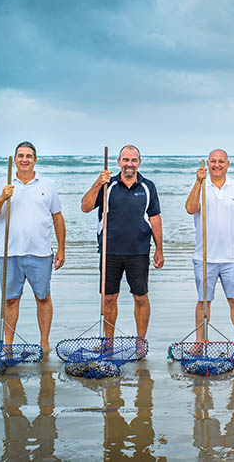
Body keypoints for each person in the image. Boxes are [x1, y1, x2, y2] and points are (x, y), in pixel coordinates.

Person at [0, 141, 66, 353]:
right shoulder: (3, 184)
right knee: (11, 299)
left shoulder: (47, 185)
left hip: (40, 253)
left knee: (43, 297)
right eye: (20, 155)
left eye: (28, 156)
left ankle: (44, 343)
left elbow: (57, 217)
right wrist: (3, 197)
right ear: (15, 159)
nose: (24, 159)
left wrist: (61, 249)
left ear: (35, 160)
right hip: (9, 252)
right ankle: (8, 345)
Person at [80, 145, 164, 339]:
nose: (129, 164)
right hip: (110, 251)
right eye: (126, 160)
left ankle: (140, 341)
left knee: (141, 297)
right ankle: (107, 342)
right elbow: (85, 207)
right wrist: (97, 183)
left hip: (139, 251)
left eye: (134, 160)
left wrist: (159, 249)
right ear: (119, 162)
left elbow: (155, 219)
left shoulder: (147, 186)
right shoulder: (106, 185)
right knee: (108, 298)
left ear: (139, 163)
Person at [184, 149, 234, 354]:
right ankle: (200, 342)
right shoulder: (200, 185)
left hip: (233, 257)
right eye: (213, 161)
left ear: (228, 164)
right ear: (207, 163)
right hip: (204, 257)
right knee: (203, 300)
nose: (217, 165)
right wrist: (198, 182)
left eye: (221, 161)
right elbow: (190, 209)